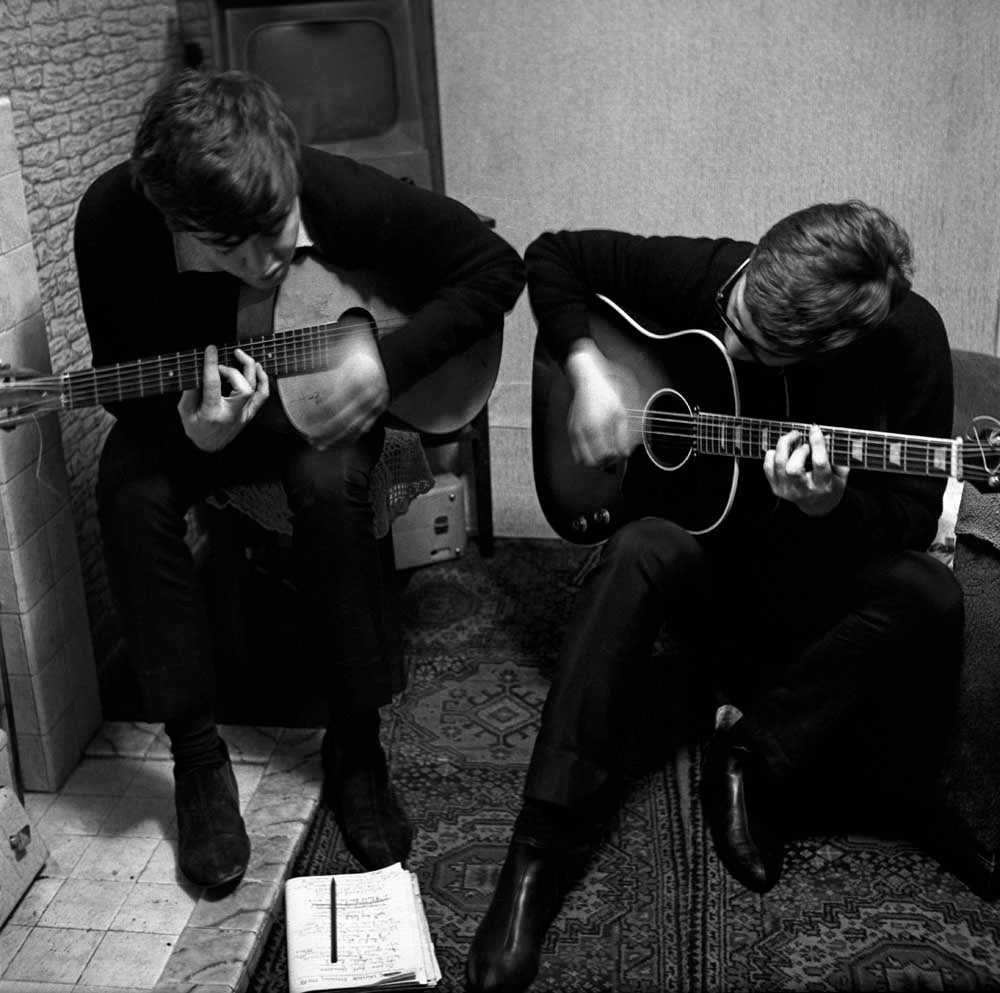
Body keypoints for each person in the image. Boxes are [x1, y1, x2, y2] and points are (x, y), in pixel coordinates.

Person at [465, 201, 964, 992]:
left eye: (751, 348)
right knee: (636, 548)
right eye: (732, 314)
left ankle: (750, 751)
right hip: (705, 568)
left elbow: (909, 515)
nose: (727, 339)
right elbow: (553, 255)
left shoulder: (909, 345)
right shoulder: (719, 273)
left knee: (930, 594)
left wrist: (832, 506)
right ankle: (537, 851)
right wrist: (591, 374)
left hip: (808, 582)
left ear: (821, 350)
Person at [73, 68, 524, 890]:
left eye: (277, 226)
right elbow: (116, 373)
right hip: (196, 406)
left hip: (322, 401)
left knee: (328, 484)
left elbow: (496, 269)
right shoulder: (112, 221)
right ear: (175, 218)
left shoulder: (326, 186)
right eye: (232, 247)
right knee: (128, 490)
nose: (269, 257)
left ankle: (356, 742)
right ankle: (198, 758)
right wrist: (186, 429)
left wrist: (386, 370)